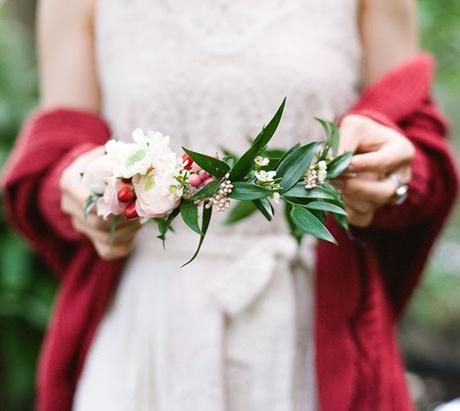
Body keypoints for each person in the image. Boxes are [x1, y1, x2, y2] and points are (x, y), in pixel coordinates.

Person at [1, 0, 458, 410]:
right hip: (148, 331)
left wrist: (392, 176)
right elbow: (57, 153)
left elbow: (419, 153)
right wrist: (80, 189)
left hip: (310, 328)